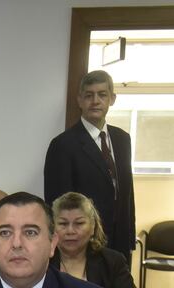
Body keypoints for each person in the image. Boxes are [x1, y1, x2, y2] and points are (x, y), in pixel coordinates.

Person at [44, 70, 135, 264]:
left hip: (120, 242)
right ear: (79, 100)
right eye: (88, 95)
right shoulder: (63, 144)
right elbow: (57, 202)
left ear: (112, 99)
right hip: (83, 243)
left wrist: (130, 237)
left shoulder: (122, 139)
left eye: (102, 94)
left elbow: (127, 193)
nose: (95, 101)